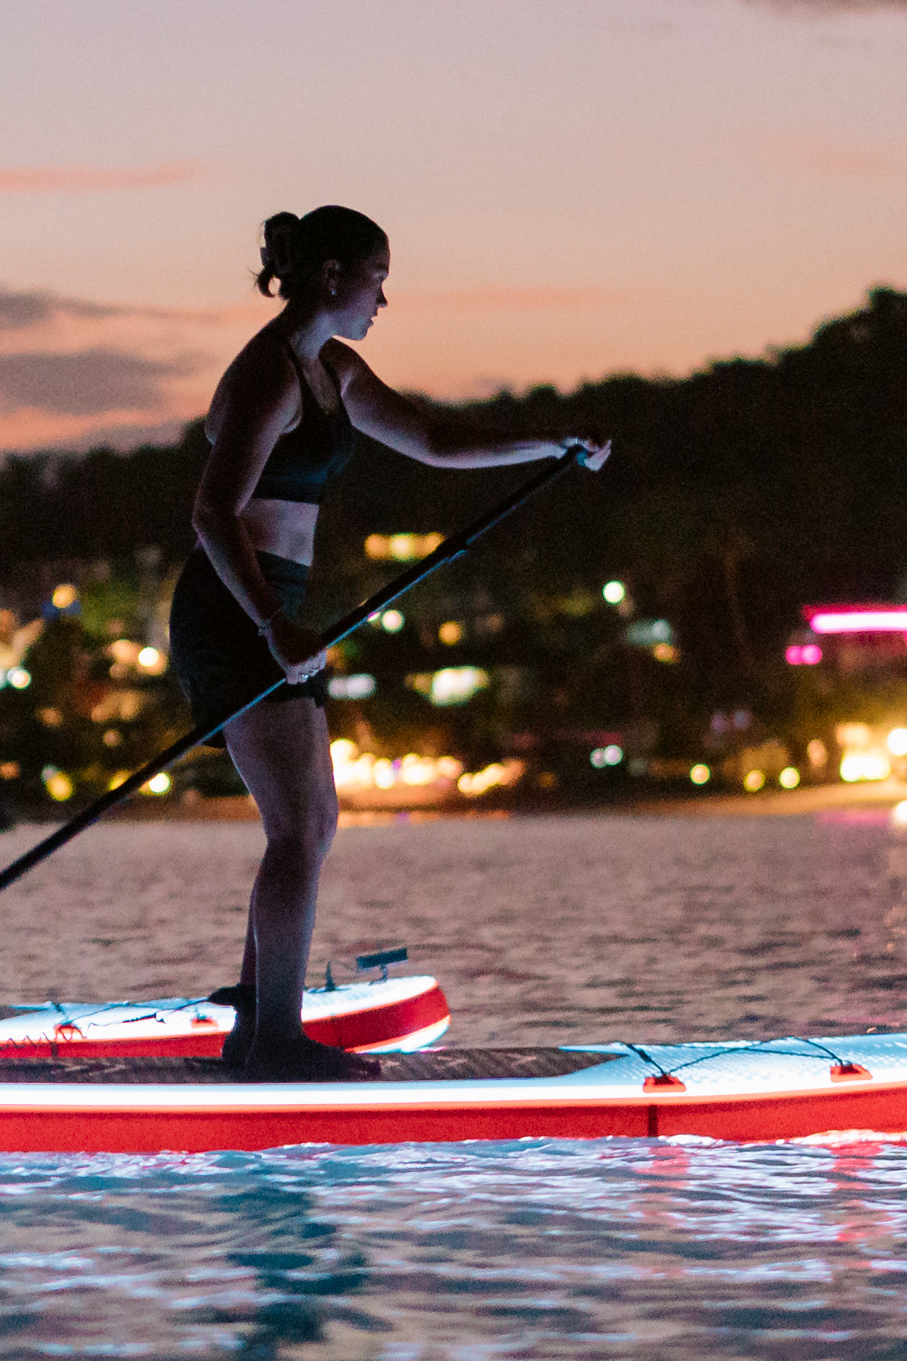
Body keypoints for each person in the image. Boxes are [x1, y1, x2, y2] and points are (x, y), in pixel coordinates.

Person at [177, 206, 609, 1078]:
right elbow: (211, 511)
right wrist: (273, 622)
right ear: (333, 275)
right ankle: (271, 1044)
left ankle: (258, 1024)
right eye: (378, 276)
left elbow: (433, 438)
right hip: (236, 609)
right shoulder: (268, 374)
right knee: (300, 825)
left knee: (311, 823)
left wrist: (547, 442)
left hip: (272, 609)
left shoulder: (330, 368)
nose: (385, 296)